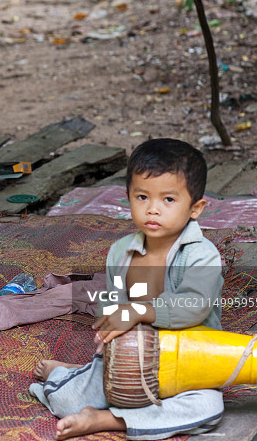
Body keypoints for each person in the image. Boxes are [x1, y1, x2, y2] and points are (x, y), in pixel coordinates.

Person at [30, 138, 224, 440]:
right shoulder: (121, 251)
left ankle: (107, 420)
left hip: (188, 363)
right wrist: (108, 327)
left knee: (209, 408)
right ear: (128, 197)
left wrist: (138, 310)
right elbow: (112, 302)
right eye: (142, 197)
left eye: (168, 200)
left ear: (196, 208)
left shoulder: (202, 254)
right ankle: (66, 373)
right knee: (66, 400)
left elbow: (194, 305)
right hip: (127, 362)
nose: (153, 210)